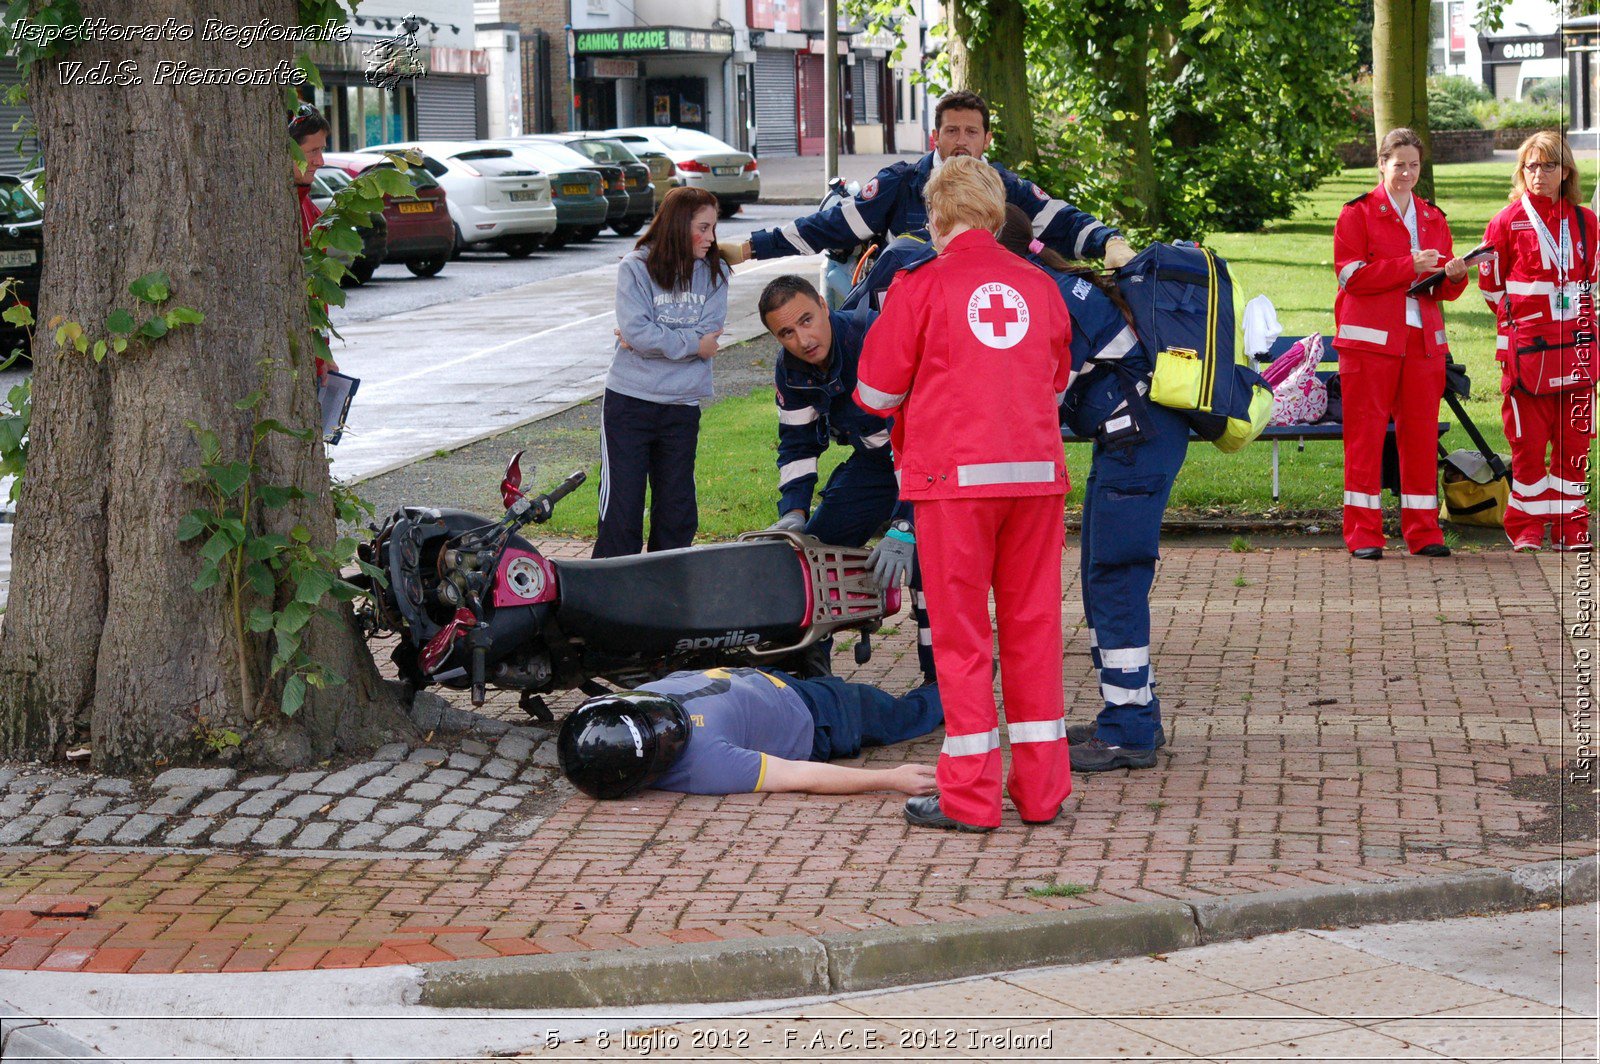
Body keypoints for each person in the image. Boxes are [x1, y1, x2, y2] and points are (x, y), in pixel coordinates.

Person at [855, 156, 1073, 833]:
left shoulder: (921, 285)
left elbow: (874, 393)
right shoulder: (1040, 286)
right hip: (1036, 481)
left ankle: (971, 798)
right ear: (995, 212)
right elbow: (1057, 381)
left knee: (962, 639)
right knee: (1034, 629)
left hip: (954, 485)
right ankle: (1042, 793)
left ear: (936, 217)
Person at [994, 206, 1181, 773]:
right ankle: (1131, 713)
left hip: (1136, 442)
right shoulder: (1055, 285)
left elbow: (1044, 388)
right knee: (1102, 572)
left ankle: (1129, 731)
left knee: (1115, 578)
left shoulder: (1045, 295)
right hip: (1131, 437)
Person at [719, 90, 1135, 271]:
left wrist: (1111, 242)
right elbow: (828, 226)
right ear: (935, 136)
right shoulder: (901, 184)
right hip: (913, 320)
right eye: (952, 131)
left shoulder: (1009, 188)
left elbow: (1066, 222)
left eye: (972, 132)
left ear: (987, 139)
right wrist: (749, 247)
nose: (961, 141)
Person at [759, 274, 934, 682]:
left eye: (806, 320)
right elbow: (798, 446)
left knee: (928, 566)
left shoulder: (874, 336)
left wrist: (904, 524)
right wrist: (794, 512)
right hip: (875, 462)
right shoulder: (791, 370)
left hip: (929, 461)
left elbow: (922, 434)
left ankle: (941, 680)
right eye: (786, 332)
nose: (802, 339)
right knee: (812, 555)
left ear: (823, 304)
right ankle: (806, 673)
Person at [1332, 127, 1468, 561]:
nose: (1406, 173)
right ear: (1382, 164)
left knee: (1422, 438)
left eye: (1413, 165)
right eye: (1398, 165)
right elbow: (1351, 278)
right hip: (1369, 344)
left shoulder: (1433, 217)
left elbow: (1441, 292)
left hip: (1424, 344)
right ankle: (1363, 534)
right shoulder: (1357, 214)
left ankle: (1424, 531)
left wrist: (1455, 276)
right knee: (1365, 438)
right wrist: (1408, 265)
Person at [556, 667, 943, 799]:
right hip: (819, 718)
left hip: (775, 684)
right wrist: (891, 779)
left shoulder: (625, 704)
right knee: (904, 716)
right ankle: (955, 689)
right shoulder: (706, 766)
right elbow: (798, 776)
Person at [595, 186, 730, 558]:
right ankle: (607, 601)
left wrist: (654, 340)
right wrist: (692, 346)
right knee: (621, 513)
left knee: (677, 513)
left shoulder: (715, 273)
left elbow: (710, 331)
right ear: (676, 225)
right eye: (703, 228)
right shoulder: (635, 268)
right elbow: (638, 332)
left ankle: (666, 592)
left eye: (714, 228)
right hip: (629, 403)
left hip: (681, 406)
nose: (710, 238)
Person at [1478, 132, 1597, 552]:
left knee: (1574, 443)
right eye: (1532, 166)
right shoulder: (1506, 221)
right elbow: (1492, 290)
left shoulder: (1586, 221)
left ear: (1566, 171)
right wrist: (1527, 326)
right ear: (1521, 171)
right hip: (1527, 354)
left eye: (1549, 166)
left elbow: (1593, 284)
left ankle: (1569, 528)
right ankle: (1526, 527)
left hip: (1577, 354)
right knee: (1527, 444)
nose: (1540, 174)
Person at [289, 103, 336, 381]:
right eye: (312, 152)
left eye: (322, 150)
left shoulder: (311, 210)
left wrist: (324, 355)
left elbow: (318, 298)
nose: (320, 161)